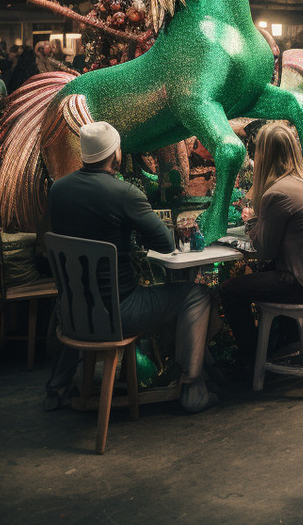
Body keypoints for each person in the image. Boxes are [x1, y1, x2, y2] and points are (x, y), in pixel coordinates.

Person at [46, 121, 216, 413]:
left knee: (87, 300)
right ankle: (192, 386)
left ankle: (57, 387)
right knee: (196, 293)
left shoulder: (58, 190)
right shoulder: (123, 193)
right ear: (115, 154)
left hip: (71, 312)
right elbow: (164, 243)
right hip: (121, 313)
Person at [218, 122, 303, 366]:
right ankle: (288, 346)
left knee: (229, 290)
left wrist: (251, 222)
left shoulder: (277, 193)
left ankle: (251, 363)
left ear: (263, 154)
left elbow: (264, 252)